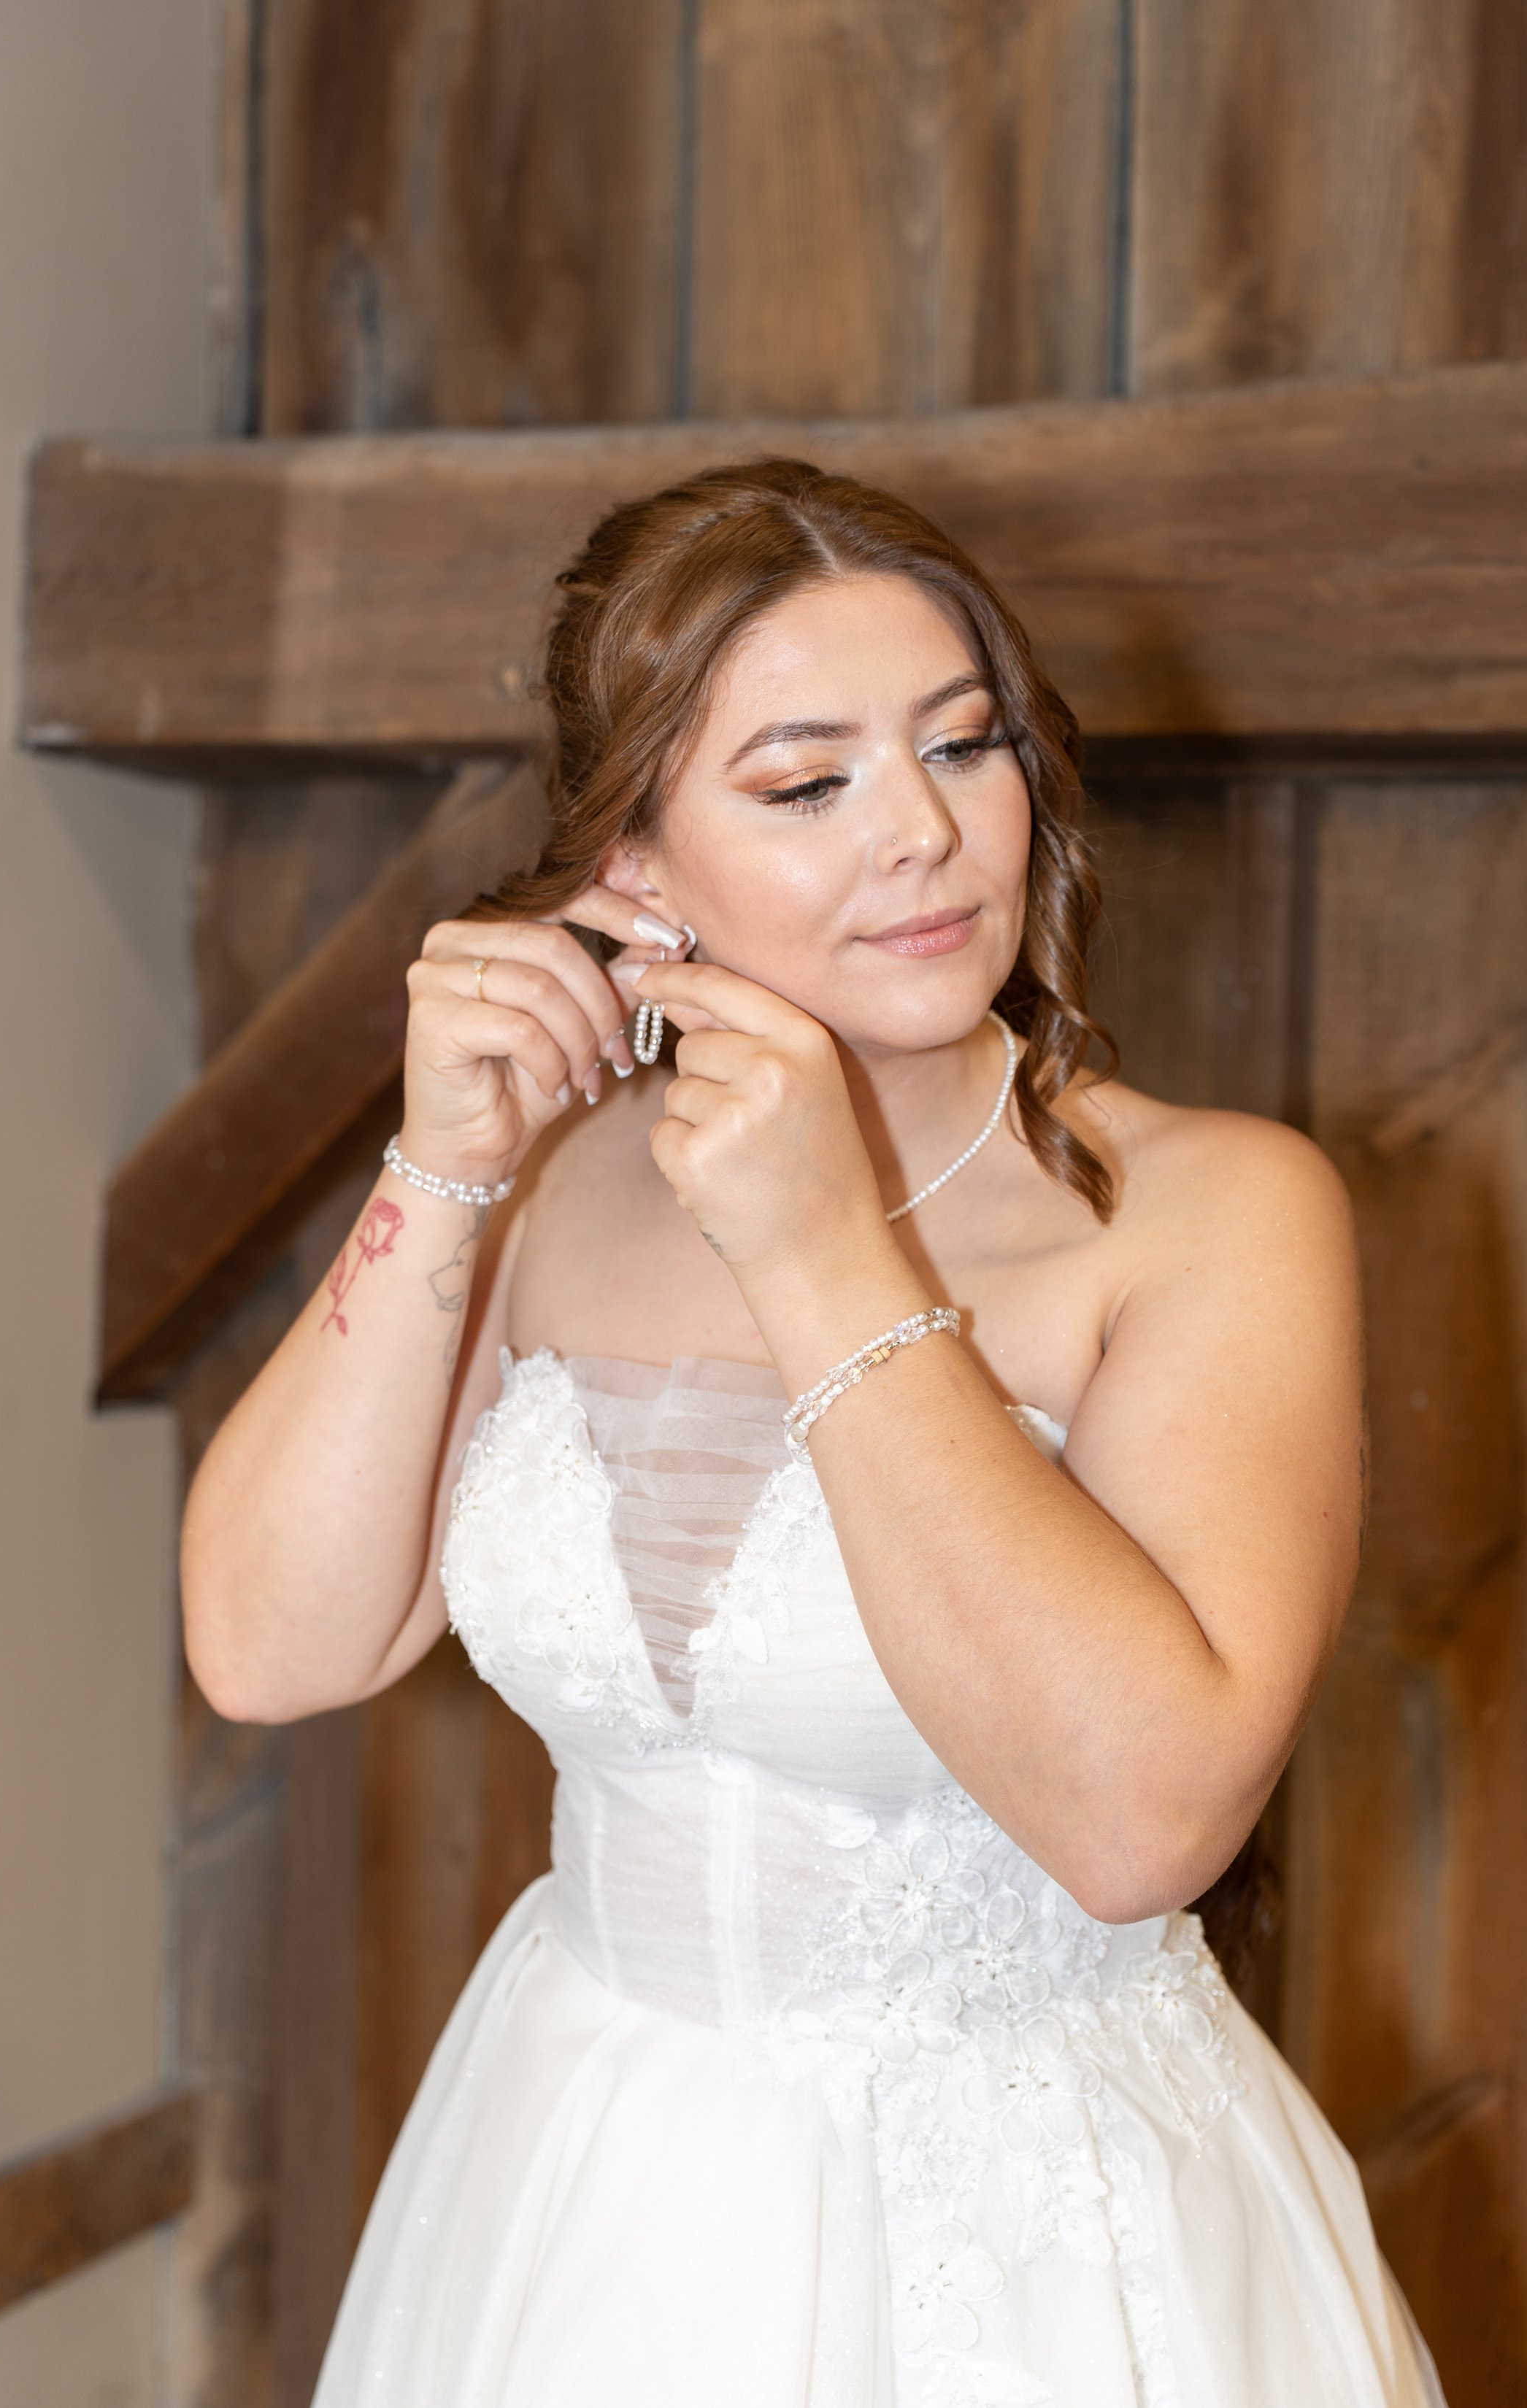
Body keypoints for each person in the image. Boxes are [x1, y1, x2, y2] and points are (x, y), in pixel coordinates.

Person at [182, 460, 1445, 2407]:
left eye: (967, 746)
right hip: (583, 2172)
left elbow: (1140, 1823)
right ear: (637, 872)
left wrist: (831, 1259)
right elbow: (273, 1644)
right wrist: (438, 1165)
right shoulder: (547, 1185)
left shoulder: (1214, 1213)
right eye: (807, 782)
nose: (927, 836)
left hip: (1028, 2249)